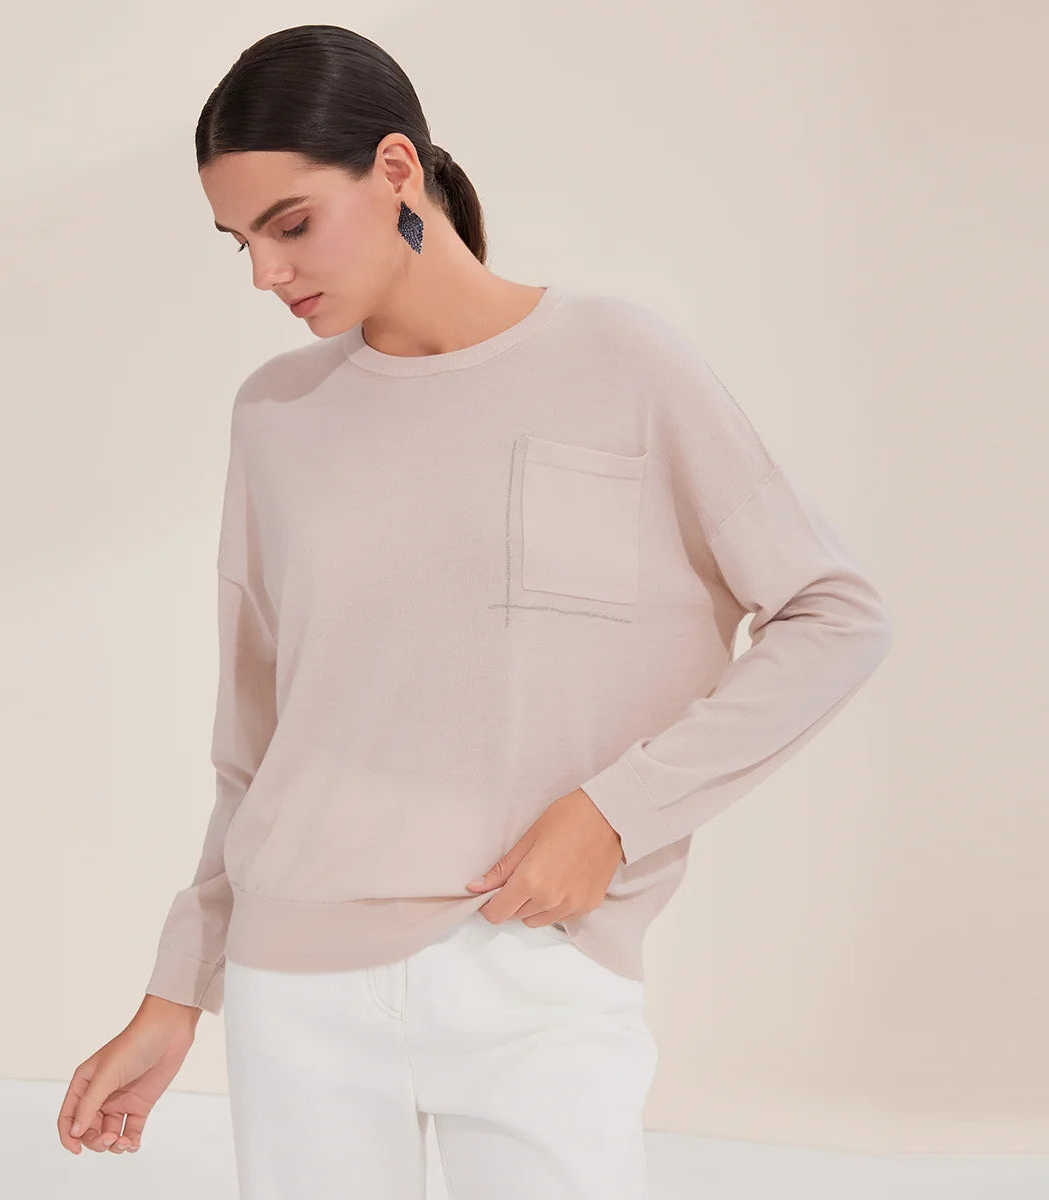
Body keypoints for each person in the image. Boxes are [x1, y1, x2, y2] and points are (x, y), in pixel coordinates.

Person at [57, 23, 893, 1199]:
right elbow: (255, 742)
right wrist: (178, 987)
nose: (264, 275)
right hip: (294, 983)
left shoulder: (622, 361)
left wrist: (618, 814)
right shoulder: (277, 415)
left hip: (536, 968)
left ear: (396, 169)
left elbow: (834, 616)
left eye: (290, 225)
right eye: (240, 242)